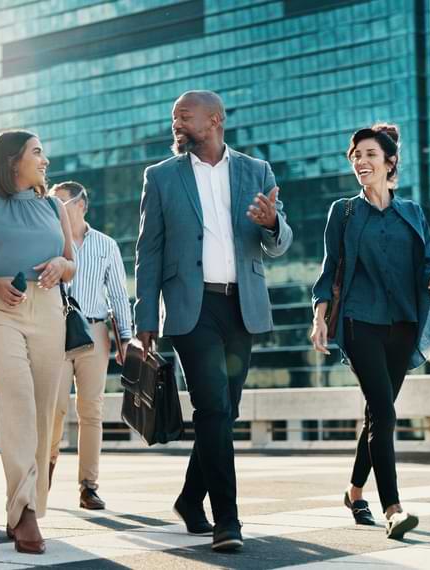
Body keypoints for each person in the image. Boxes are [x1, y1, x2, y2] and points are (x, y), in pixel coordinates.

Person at [134, 90, 293, 552]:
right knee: (213, 409)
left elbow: (278, 243)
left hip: (241, 306)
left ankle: (189, 499)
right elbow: (149, 252)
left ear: (215, 119)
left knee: (226, 411)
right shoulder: (161, 177)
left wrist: (270, 223)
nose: (176, 123)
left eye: (184, 115)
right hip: (191, 307)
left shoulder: (255, 171)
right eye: (174, 118)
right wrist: (146, 316)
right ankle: (228, 520)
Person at [309, 123, 430, 540]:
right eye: (355, 156)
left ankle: (355, 493)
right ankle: (394, 508)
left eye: (369, 154)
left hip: (404, 323)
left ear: (389, 162)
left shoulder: (412, 212)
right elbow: (329, 268)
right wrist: (320, 316)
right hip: (359, 322)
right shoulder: (345, 212)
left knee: (377, 414)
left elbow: (428, 262)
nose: (360, 162)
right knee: (385, 413)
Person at [0, 131, 76, 555]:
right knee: (19, 400)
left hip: (49, 313)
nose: (45, 159)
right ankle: (22, 513)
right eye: (37, 151)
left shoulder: (53, 206)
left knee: (43, 412)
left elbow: (72, 264)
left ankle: (27, 505)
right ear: (12, 161)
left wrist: (61, 263)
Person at [47, 181, 133, 511]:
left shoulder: (106, 245)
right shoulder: (49, 241)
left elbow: (118, 295)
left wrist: (126, 338)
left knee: (91, 410)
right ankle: (48, 467)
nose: (55, 209)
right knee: (54, 408)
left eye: (61, 203)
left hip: (95, 332)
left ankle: (88, 486)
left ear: (81, 204)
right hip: (56, 331)